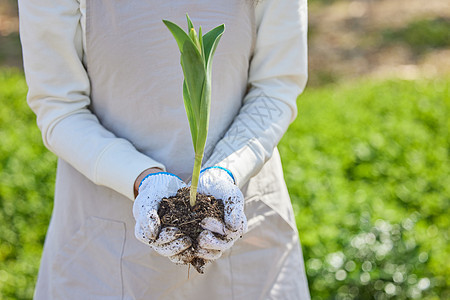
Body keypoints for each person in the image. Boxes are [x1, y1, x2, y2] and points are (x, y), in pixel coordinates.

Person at [19, 0, 310, 298]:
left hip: (240, 213)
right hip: (104, 235)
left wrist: (228, 170)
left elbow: (276, 86)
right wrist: (142, 178)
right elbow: (60, 106)